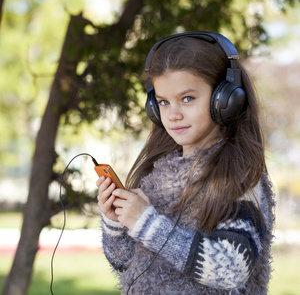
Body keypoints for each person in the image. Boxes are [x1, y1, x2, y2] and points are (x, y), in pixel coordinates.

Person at [96, 32, 275, 295]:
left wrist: (146, 223)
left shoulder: (237, 176)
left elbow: (230, 269)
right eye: (163, 102)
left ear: (224, 99)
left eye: (188, 98)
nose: (173, 114)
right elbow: (126, 266)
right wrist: (116, 223)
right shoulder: (158, 174)